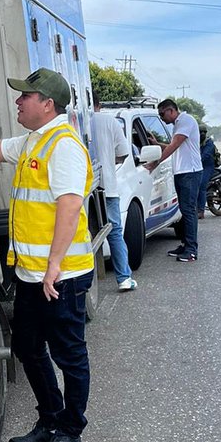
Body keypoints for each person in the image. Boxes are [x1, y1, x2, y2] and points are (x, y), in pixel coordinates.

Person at [0, 67, 93, 442]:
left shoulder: (63, 145)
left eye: (25, 96)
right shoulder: (35, 140)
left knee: (69, 355)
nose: (17, 101)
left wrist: (53, 266)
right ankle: (50, 420)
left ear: (47, 104)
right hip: (31, 274)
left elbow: (70, 206)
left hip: (60, 276)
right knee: (28, 348)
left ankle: (71, 432)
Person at [90, 90, 136, 292]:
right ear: (99, 104)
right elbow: (123, 153)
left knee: (85, 236)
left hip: (82, 190)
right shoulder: (110, 122)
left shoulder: (72, 121)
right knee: (115, 232)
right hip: (107, 187)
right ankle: (124, 278)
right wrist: (109, 160)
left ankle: (86, 285)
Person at [147, 98, 203, 263]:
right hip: (182, 172)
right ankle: (185, 245)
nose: (161, 118)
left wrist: (156, 162)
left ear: (171, 110)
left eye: (162, 114)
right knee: (185, 210)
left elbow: (175, 145)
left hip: (190, 172)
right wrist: (157, 144)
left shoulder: (186, 120)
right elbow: (175, 146)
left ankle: (191, 250)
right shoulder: (178, 125)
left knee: (189, 211)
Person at [197, 126, 217, 218]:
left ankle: (201, 211)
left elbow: (205, 156)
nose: (202, 134)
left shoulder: (209, 142)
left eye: (204, 132)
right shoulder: (195, 141)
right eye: (200, 132)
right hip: (199, 166)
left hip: (207, 166)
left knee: (201, 186)